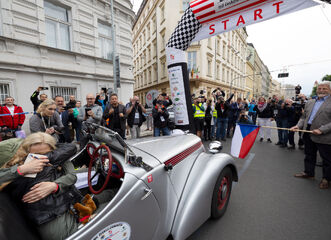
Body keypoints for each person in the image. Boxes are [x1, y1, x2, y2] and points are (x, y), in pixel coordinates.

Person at [0, 132, 80, 240]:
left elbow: (72, 175)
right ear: (27, 151)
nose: (42, 159)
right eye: (36, 155)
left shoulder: (59, 156)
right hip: (45, 215)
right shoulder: (19, 161)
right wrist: (22, 169)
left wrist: (55, 186)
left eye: (46, 154)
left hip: (67, 200)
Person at [291, 81, 331, 189]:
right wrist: (298, 126)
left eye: (324, 89)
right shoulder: (310, 102)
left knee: (327, 159)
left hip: (324, 135)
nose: (321, 90)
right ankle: (309, 173)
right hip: (308, 131)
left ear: (330, 90)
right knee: (309, 154)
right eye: (319, 88)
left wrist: (322, 130)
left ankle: (326, 179)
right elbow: (304, 117)